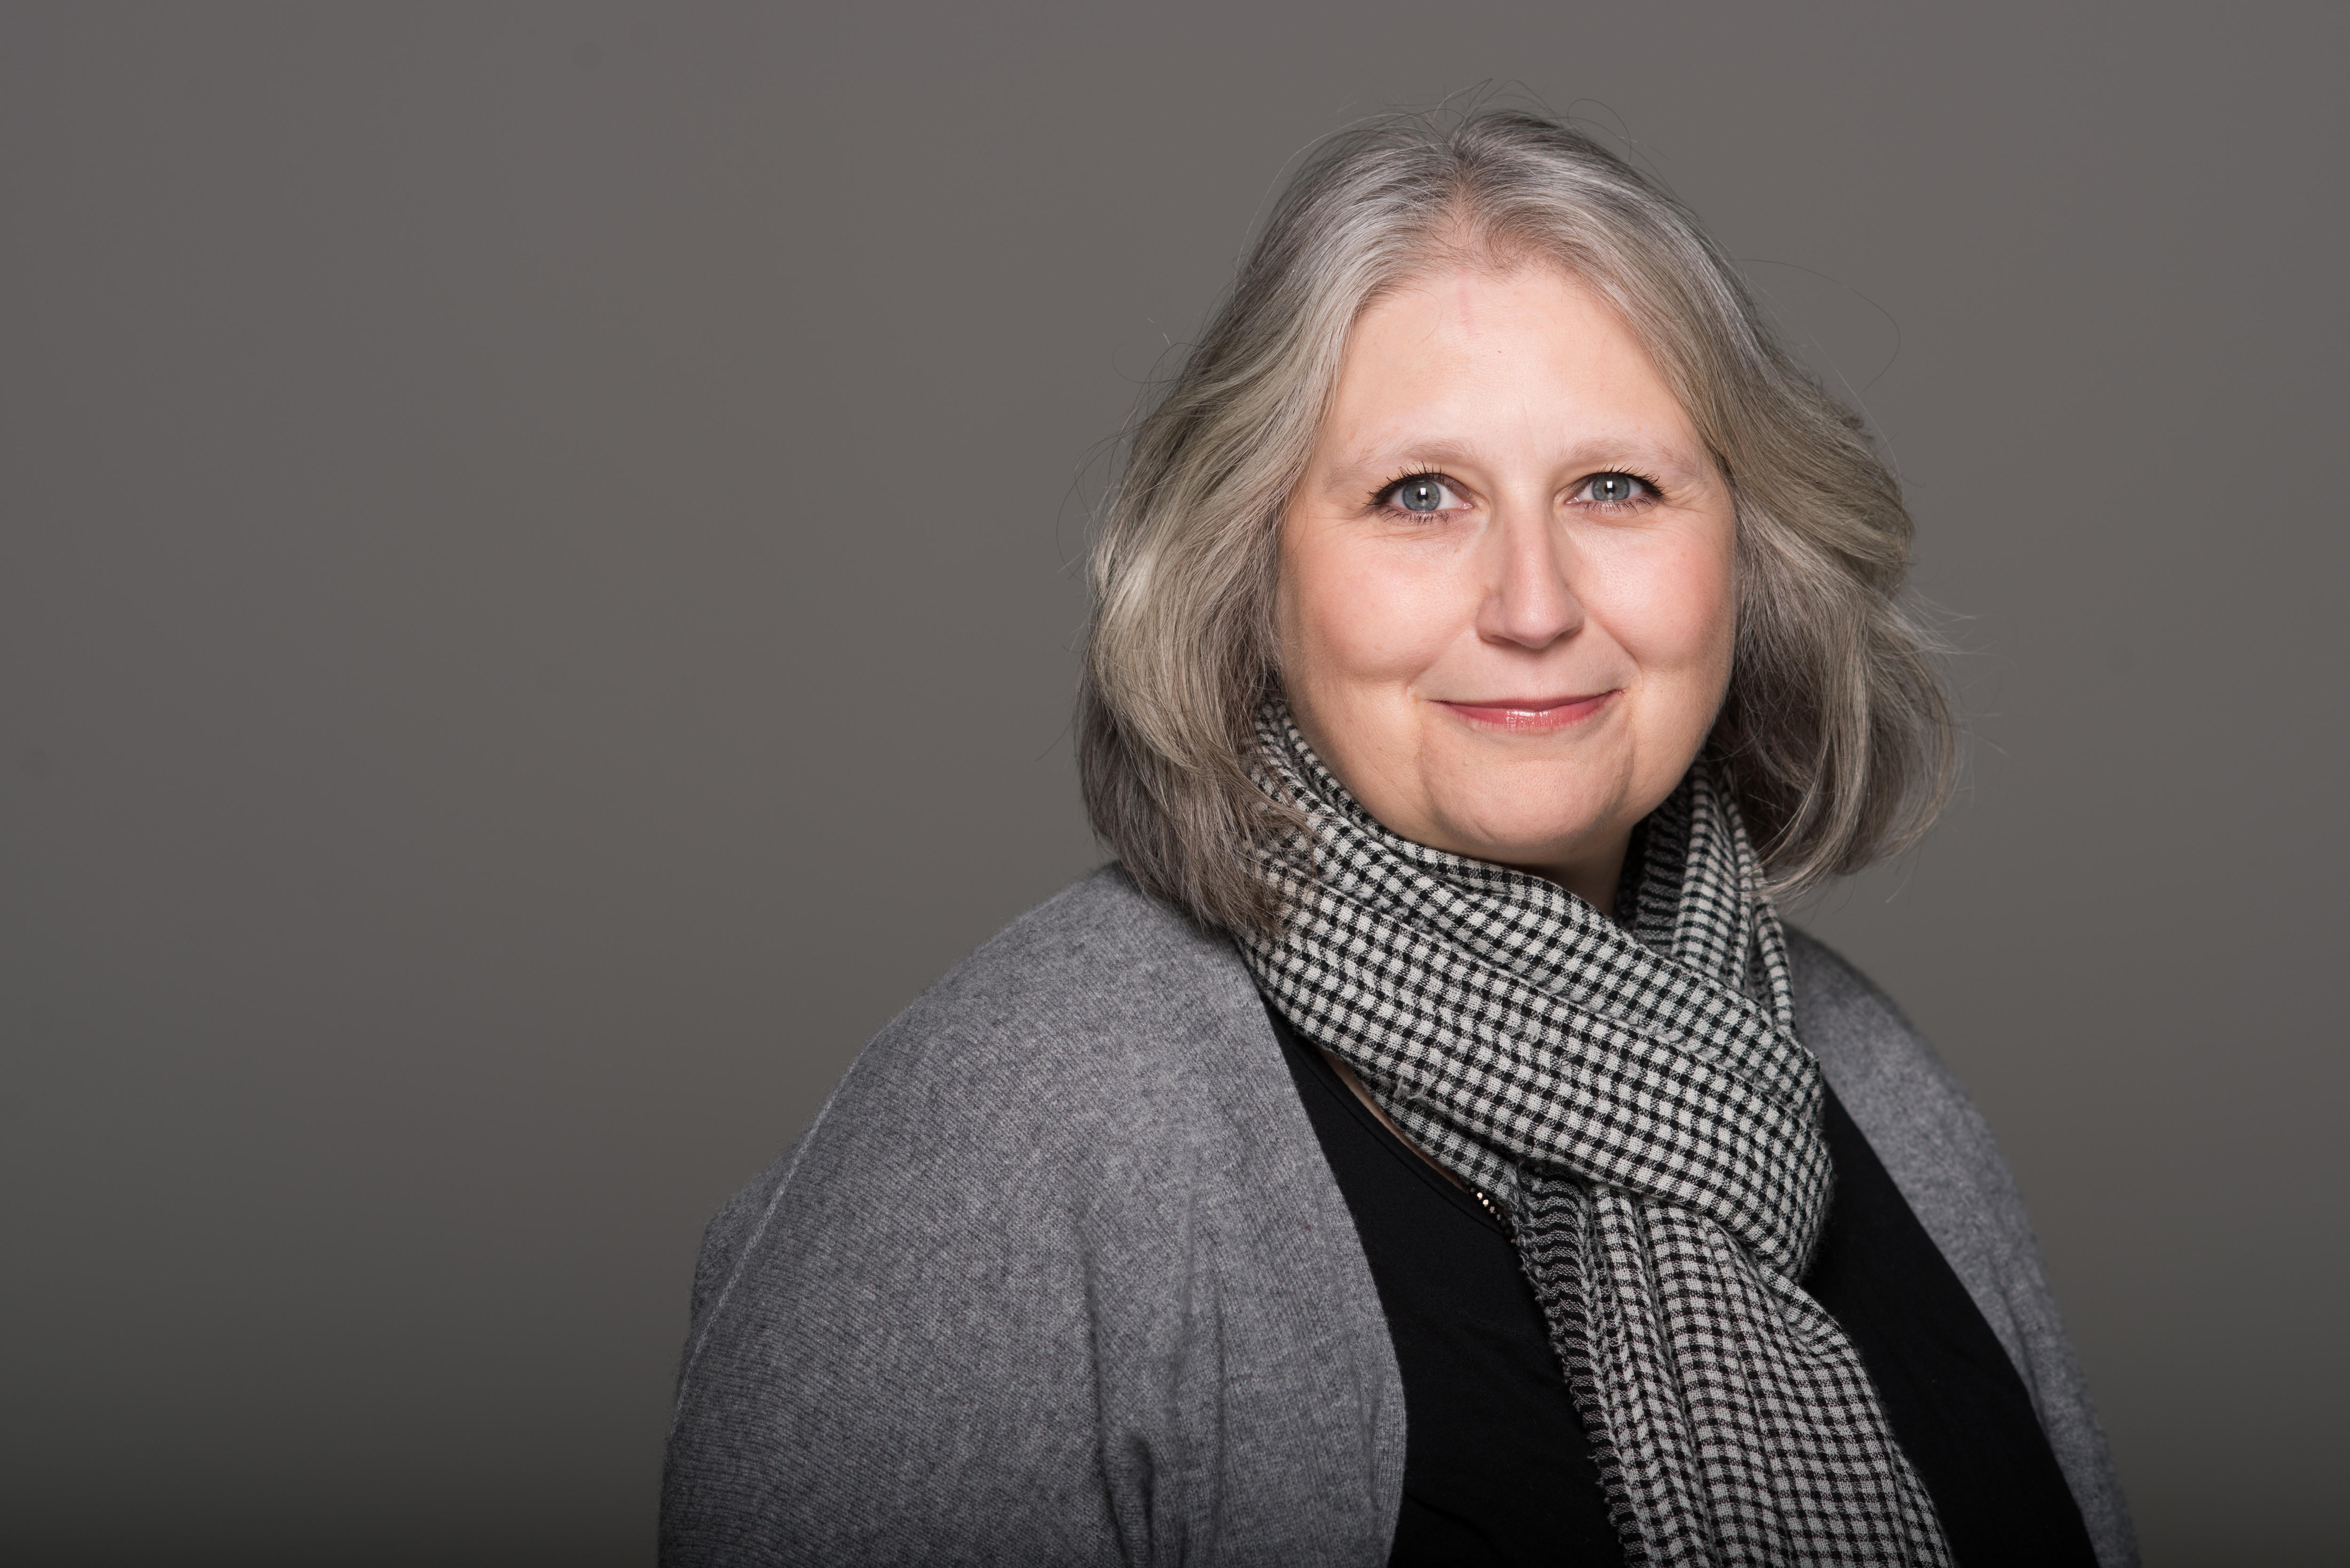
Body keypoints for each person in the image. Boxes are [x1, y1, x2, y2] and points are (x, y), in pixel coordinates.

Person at [660, 110, 2135, 1567]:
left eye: (1615, 488)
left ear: (1747, 557)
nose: (1534, 605)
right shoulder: (1012, 1140)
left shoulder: (1870, 1075)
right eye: (1419, 497)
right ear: (1251, 570)